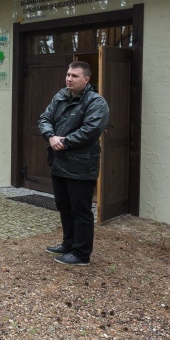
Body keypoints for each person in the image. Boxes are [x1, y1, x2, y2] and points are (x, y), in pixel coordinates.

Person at [37, 61, 109, 267]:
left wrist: (64, 142)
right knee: (64, 206)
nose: (69, 78)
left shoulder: (96, 102)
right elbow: (44, 118)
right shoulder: (60, 97)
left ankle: (81, 253)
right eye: (68, 74)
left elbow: (91, 130)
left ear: (86, 80)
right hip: (59, 162)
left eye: (74, 76)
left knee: (81, 210)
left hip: (81, 166)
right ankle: (68, 244)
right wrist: (50, 136)